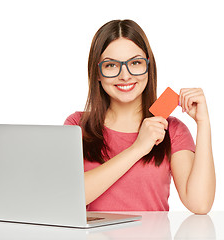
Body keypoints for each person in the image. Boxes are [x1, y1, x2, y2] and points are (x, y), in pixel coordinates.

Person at [64, 19, 215, 214]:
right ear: (98, 74)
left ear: (149, 67)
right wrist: (138, 148)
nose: (125, 75)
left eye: (135, 63)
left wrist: (203, 123)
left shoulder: (172, 130)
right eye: (111, 65)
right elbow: (70, 196)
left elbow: (200, 204)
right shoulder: (78, 126)